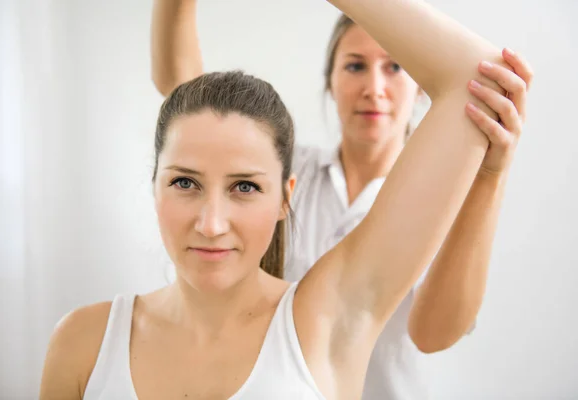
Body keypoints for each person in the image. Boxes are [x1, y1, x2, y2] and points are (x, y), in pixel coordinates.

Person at [40, 0, 530, 399]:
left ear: (281, 197)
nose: (213, 223)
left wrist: (488, 171)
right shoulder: (82, 342)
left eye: (245, 188)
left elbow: (434, 331)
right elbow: (195, 106)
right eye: (185, 182)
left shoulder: (328, 308)